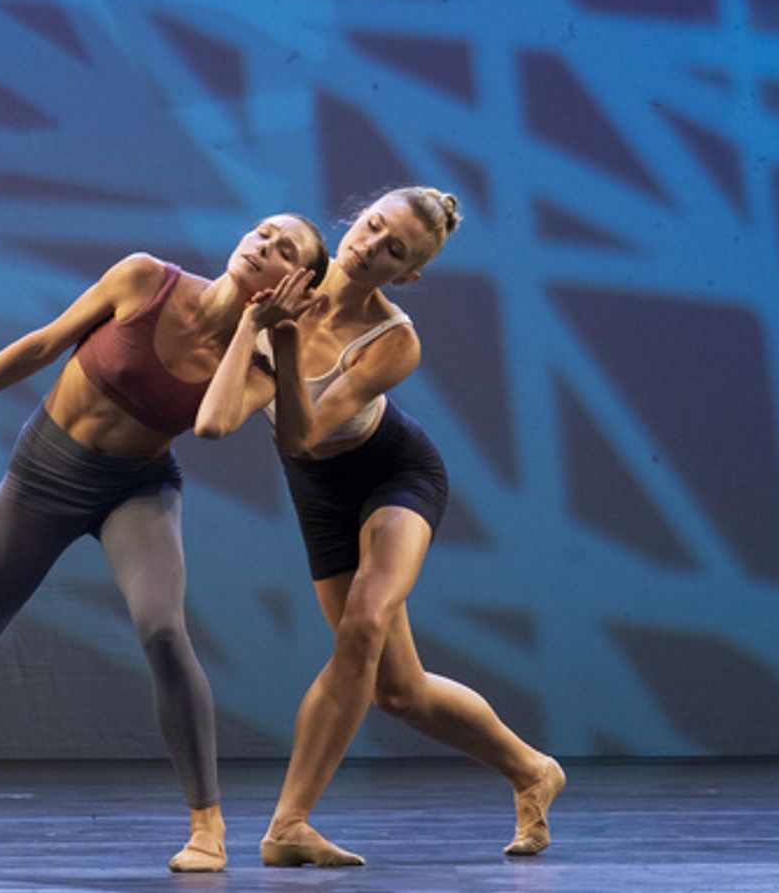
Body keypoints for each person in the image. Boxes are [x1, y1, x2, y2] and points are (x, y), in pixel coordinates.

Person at [0, 214, 329, 873]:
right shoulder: (145, 277)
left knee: (164, 632)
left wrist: (266, 331)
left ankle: (208, 825)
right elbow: (43, 344)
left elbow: (213, 424)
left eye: (283, 250)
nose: (262, 245)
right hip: (43, 478)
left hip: (137, 489)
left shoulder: (258, 358)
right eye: (263, 232)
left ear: (297, 282)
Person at [195, 187, 564, 867]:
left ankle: (288, 825)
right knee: (399, 690)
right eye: (370, 227)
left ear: (408, 274)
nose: (370, 247)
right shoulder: (285, 280)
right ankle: (533, 769)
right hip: (320, 494)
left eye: (394, 249)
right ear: (353, 222)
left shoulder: (394, 341)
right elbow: (216, 421)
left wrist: (277, 336)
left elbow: (300, 435)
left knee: (364, 623)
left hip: (395, 474)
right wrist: (254, 325)